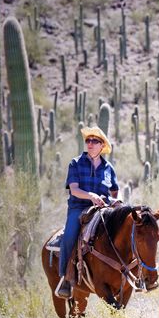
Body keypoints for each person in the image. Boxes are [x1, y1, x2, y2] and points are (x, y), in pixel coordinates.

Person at [56, 127, 119, 299]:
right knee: (69, 235)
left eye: (94, 141)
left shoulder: (108, 168)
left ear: (102, 145)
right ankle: (65, 279)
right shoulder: (76, 163)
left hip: (103, 209)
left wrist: (115, 203)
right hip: (79, 208)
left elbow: (114, 192)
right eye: (88, 140)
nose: (90, 144)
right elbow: (74, 190)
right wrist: (90, 195)